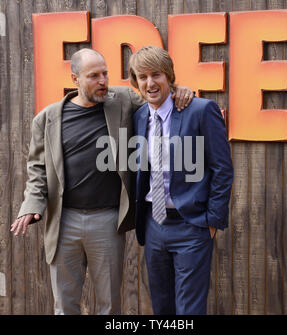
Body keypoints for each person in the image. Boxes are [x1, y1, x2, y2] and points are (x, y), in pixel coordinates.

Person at [10, 48, 193, 315]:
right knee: (65, 304)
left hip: (107, 221)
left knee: (110, 305)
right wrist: (31, 205)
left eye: (105, 73)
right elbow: (37, 170)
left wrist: (180, 90)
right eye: (93, 76)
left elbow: (158, 95)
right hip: (63, 222)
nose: (103, 81)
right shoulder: (47, 119)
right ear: (75, 79)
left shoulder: (123, 100)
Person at [129, 45, 234, 315]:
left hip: (192, 226)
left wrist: (212, 221)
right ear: (135, 82)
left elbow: (222, 169)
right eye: (143, 77)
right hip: (154, 225)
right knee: (162, 307)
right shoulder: (139, 116)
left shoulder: (200, 110)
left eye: (156, 75)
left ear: (169, 76)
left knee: (189, 310)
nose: (150, 83)